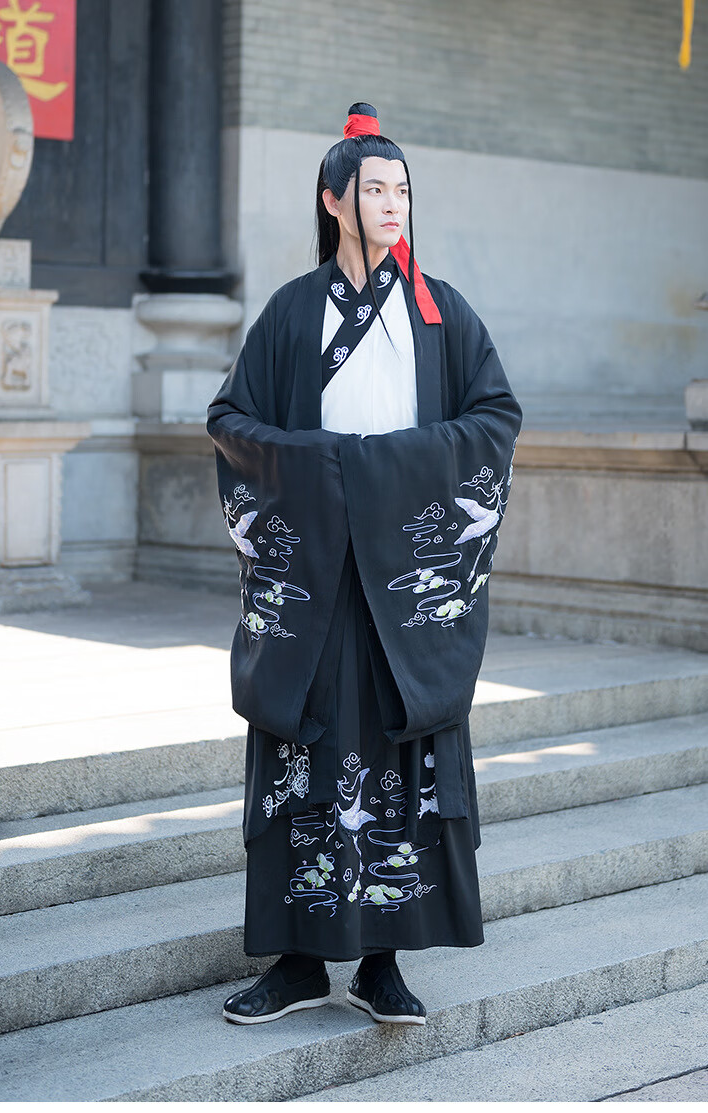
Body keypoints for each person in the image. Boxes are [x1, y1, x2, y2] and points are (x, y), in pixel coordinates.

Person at [206, 102, 522, 1026]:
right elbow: (231, 422)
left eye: (403, 191)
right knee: (306, 749)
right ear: (333, 200)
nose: (393, 204)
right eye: (376, 189)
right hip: (316, 580)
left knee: (397, 750)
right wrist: (323, 468)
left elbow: (495, 419)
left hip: (402, 586)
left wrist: (383, 470)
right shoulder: (292, 312)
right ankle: (299, 961)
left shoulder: (441, 313)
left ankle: (384, 960)